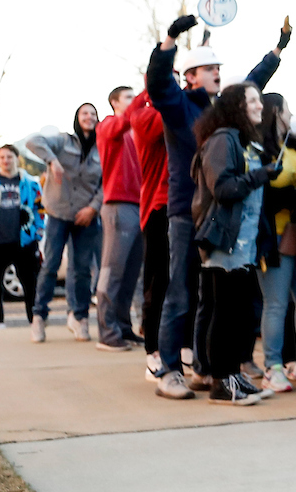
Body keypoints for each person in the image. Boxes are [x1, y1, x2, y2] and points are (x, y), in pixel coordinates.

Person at [146, 14, 289, 400]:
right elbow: (158, 84)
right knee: (181, 292)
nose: (216, 73)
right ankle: (169, 370)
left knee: (211, 296)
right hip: (184, 211)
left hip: (218, 213)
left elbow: (251, 87)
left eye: (217, 68)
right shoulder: (178, 105)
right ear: (191, 76)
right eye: (209, 69)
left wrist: (277, 51)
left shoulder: (224, 109)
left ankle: (207, 370)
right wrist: (170, 39)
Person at [191, 82, 275, 405]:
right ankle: (220, 382)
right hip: (224, 243)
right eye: (252, 101)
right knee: (223, 313)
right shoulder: (223, 140)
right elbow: (223, 189)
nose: (259, 106)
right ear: (237, 107)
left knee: (238, 312)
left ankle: (233, 375)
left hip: (242, 244)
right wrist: (261, 175)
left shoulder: (240, 140)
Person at [26, 104, 105, 343]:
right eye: (85, 113)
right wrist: (52, 160)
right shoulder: (63, 141)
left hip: (86, 215)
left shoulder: (103, 146)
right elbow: (33, 141)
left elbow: (107, 180)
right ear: (77, 118)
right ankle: (39, 317)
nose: (89, 117)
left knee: (82, 270)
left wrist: (94, 207)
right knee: (51, 265)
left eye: (93, 114)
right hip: (59, 213)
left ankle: (79, 317)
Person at [256, 92, 296, 394]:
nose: (291, 115)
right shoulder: (260, 149)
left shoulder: (293, 145)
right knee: (277, 304)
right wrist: (288, 196)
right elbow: (261, 191)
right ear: (275, 112)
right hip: (273, 235)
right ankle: (272, 367)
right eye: (287, 110)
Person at [94, 86, 145, 351]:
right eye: (129, 97)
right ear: (114, 102)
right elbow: (123, 122)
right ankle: (107, 332)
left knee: (130, 274)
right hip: (118, 206)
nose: (134, 101)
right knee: (112, 272)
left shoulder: (134, 133)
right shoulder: (107, 126)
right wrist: (149, 91)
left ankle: (123, 328)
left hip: (139, 206)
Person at [127, 88, 172, 383]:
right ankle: (152, 351)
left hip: (185, 208)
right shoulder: (145, 117)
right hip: (157, 209)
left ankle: (182, 350)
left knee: (185, 284)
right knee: (157, 284)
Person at [0, 145, 45, 327]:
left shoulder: (30, 184)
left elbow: (40, 209)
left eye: (10, 157)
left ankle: (34, 321)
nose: (6, 161)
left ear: (16, 158)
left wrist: (38, 231)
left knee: (31, 284)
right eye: (2, 157)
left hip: (24, 241)